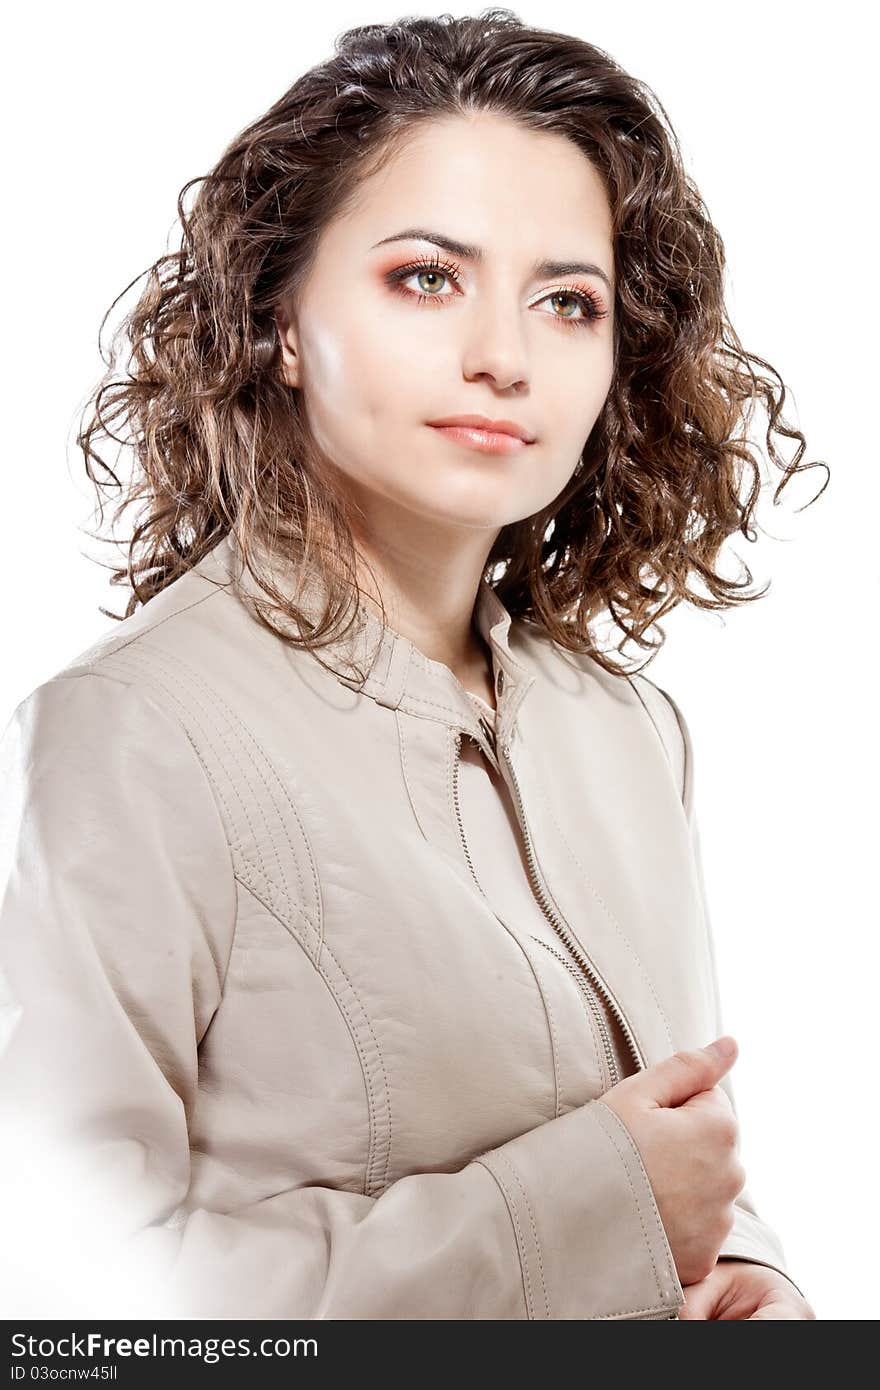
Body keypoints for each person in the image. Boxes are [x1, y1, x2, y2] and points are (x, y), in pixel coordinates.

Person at [0, 10, 824, 1320]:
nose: (504, 354)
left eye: (568, 300)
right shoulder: (127, 734)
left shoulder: (624, 728)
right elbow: (69, 1314)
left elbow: (673, 1145)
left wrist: (745, 1276)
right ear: (278, 318)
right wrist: (589, 1211)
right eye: (427, 277)